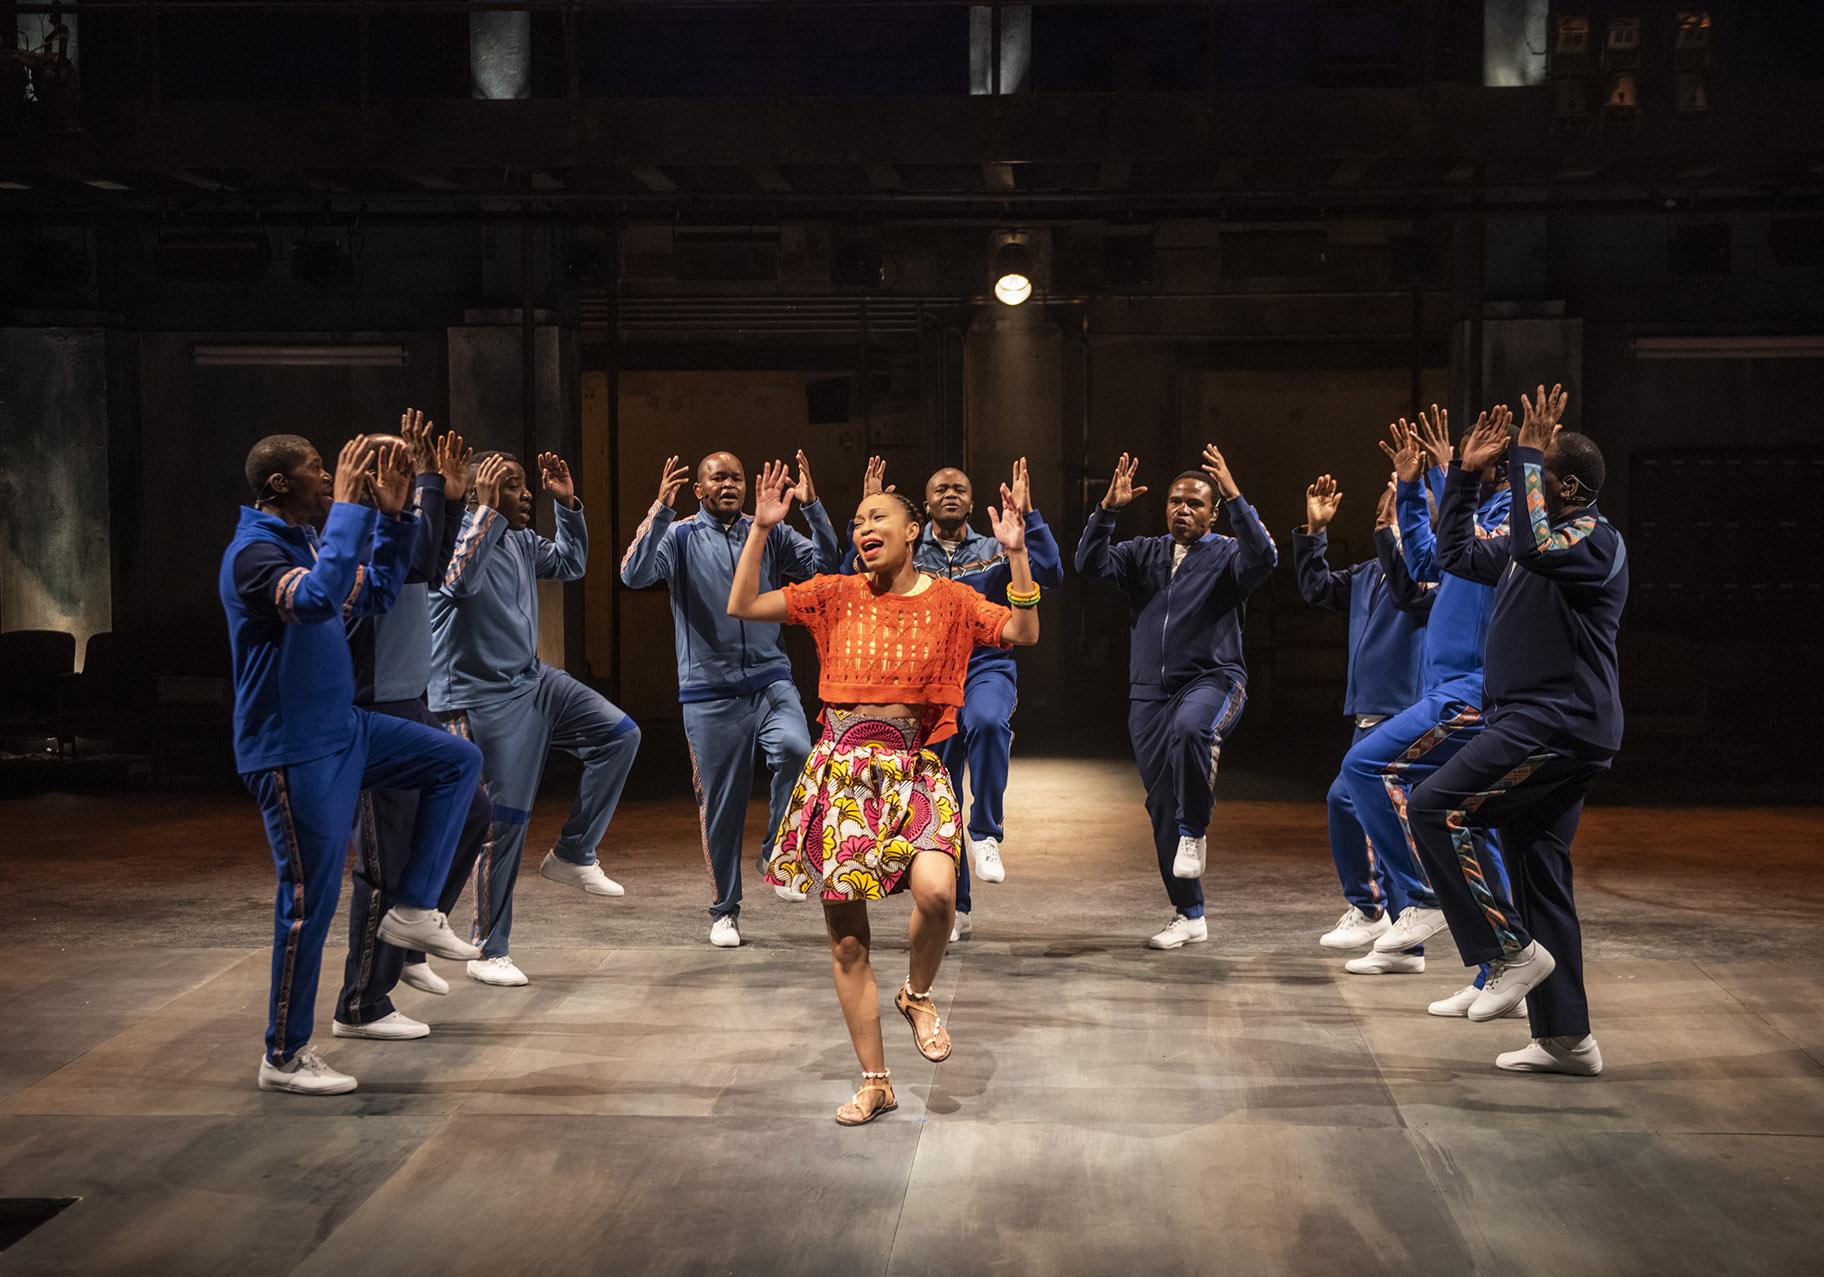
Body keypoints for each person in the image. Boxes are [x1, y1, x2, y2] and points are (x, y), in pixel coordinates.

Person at [728, 460, 1039, 1126]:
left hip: (915, 765)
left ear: (913, 529)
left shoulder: (952, 601)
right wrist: (760, 530)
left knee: (936, 891)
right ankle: (876, 1080)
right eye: (858, 520)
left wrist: (1015, 556)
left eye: (879, 517)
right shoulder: (833, 593)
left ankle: (917, 993)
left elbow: (1022, 632)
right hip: (845, 773)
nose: (865, 527)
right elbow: (745, 604)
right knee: (848, 941)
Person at [221, 433, 483, 1095]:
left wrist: (394, 518)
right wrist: (350, 511)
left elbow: (375, 594)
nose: (331, 477)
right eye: (317, 469)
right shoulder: (252, 555)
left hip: (348, 729)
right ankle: (282, 1055)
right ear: (280, 484)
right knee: (311, 900)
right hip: (293, 749)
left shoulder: (309, 543)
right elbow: (311, 601)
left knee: (458, 762)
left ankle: (414, 907)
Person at [1408, 385, 1625, 1075]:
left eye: (1534, 463)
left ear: (1564, 483)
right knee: (1538, 868)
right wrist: (1465, 478)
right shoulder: (1532, 543)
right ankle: (1567, 1037)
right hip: (1543, 722)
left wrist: (1529, 451)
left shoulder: (1594, 540)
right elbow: (1455, 554)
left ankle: (1506, 950)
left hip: (1556, 721)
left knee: (1433, 805)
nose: (1518, 464)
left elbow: (1532, 544)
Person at [429, 448, 641, 987]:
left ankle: (573, 851)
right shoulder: (455, 538)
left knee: (619, 735)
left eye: (527, 486)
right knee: (503, 825)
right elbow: (459, 583)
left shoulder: (522, 541)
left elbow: (570, 564)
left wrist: (567, 506)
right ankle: (487, 947)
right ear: (483, 492)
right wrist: (482, 510)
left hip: (534, 679)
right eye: (513, 485)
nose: (527, 495)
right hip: (481, 698)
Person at [1336, 410, 1520, 1014]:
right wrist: (1414, 487)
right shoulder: (1468, 525)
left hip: (1475, 689)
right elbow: (1422, 563)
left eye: (1478, 461)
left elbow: (1458, 540)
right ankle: (1507, 965)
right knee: (1474, 827)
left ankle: (1420, 896)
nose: (1464, 467)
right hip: (1445, 687)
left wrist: (1447, 477)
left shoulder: (1514, 523)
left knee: (1366, 767)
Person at [619, 448, 841, 947]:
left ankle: (775, 847)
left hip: (769, 681)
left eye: (736, 477)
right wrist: (659, 511)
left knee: (797, 751)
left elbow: (826, 566)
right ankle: (725, 911)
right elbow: (632, 575)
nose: (728, 485)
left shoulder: (770, 531)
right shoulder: (679, 536)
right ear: (699, 490)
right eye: (717, 478)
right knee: (722, 805)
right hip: (708, 694)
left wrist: (811, 507)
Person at [846, 456, 1065, 940]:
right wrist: (869, 510)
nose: (951, 493)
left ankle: (986, 831)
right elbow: (855, 575)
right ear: (923, 506)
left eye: (960, 488)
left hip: (986, 664)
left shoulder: (994, 543)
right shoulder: (907, 546)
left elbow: (1051, 573)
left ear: (970, 500)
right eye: (940, 488)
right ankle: (957, 904)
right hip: (927, 677)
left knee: (987, 722)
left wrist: (1030, 521)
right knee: (939, 789)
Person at [1074, 446, 1277, 950]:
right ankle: (1189, 912)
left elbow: (1266, 558)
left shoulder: (1228, 554)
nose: (1182, 510)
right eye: (1174, 502)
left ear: (1212, 513)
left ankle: (1195, 829)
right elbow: (1088, 564)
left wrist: (1236, 495)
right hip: (1148, 695)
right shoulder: (1143, 553)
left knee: (1193, 730)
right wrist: (1107, 511)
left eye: (1194, 503)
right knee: (1160, 803)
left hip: (1213, 679)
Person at [333, 412, 497, 1036]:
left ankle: (406, 943)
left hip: (411, 699)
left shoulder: (398, 529)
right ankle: (361, 1004)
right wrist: (432, 488)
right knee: (382, 863)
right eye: (395, 467)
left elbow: (427, 564)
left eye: (410, 464)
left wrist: (447, 501)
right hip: (375, 709)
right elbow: (413, 563)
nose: (406, 474)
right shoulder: (356, 538)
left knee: (473, 814)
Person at [1293, 473, 1435, 970]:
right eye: (1385, 494)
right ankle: (1402, 941)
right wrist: (1314, 534)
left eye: (1400, 501)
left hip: (1404, 711)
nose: (1386, 505)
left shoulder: (1426, 572)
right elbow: (1315, 587)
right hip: (1368, 713)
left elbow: (1409, 594)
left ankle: (1374, 909)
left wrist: (1393, 536)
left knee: (1358, 806)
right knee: (1375, 817)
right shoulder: (1369, 572)